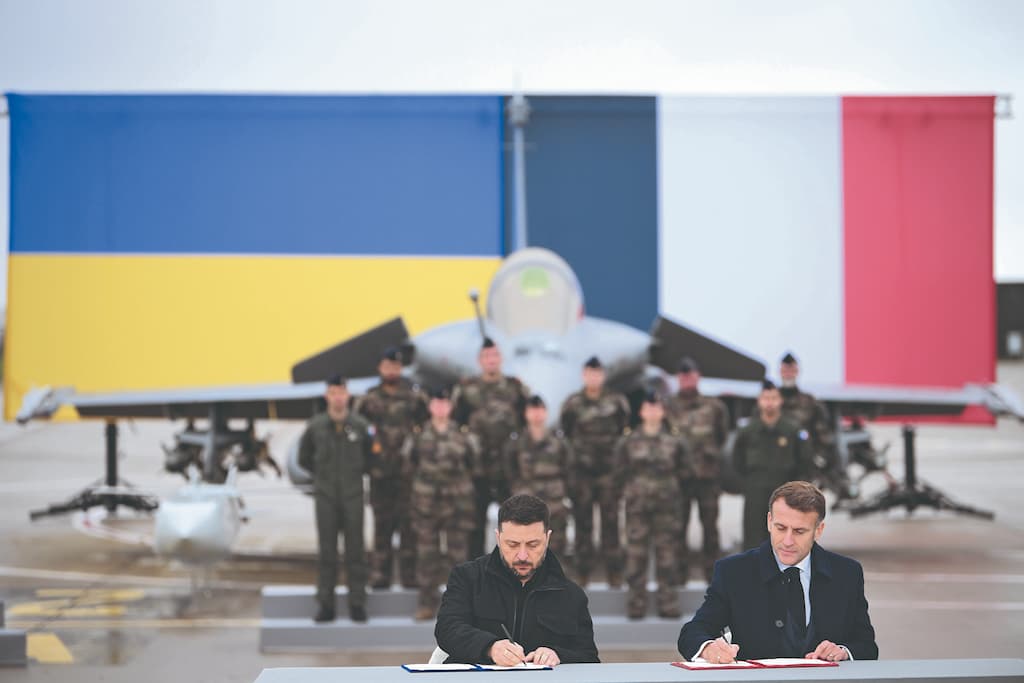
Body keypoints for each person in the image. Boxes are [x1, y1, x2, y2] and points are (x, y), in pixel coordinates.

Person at [678, 481, 878, 662]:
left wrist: (843, 651)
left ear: (819, 530)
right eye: (781, 528)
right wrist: (709, 648)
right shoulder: (733, 572)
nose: (788, 541)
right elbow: (693, 632)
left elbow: (866, 646)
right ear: (769, 522)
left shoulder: (847, 573)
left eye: (799, 531)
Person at [434, 494, 600, 666]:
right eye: (512, 544)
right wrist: (490, 647)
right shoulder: (467, 577)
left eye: (533, 545)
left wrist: (558, 655)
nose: (522, 556)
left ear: (547, 538)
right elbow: (447, 629)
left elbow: (588, 657)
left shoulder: (571, 595)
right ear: (498, 538)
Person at [297, 375, 372, 623]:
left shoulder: (359, 426)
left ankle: (357, 604)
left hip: (352, 496)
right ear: (327, 396)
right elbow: (304, 458)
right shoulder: (316, 426)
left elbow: (369, 459)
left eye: (342, 392)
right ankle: (325, 605)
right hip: (326, 497)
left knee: (356, 552)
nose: (338, 397)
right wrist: (323, 479)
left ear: (347, 396)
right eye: (333, 392)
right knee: (327, 553)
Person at [403, 386, 482, 621]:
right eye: (436, 403)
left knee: (458, 557)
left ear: (450, 407)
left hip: (457, 505)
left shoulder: (464, 436)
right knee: (427, 555)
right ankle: (427, 604)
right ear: (430, 407)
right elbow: (408, 466)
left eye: (444, 403)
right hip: (426, 505)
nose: (440, 408)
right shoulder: (417, 436)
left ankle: (460, 608)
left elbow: (473, 466)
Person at [613, 391, 692, 619]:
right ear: (641, 412)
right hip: (637, 507)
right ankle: (636, 603)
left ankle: (667, 603)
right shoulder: (628, 441)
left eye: (657, 407)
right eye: (648, 407)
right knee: (636, 555)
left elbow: (686, 471)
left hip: (667, 508)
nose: (652, 412)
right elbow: (619, 471)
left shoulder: (675, 440)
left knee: (667, 556)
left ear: (663, 411)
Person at [356, 346, 428, 588]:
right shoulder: (368, 399)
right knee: (382, 530)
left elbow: (428, 427)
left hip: (407, 476)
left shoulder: (414, 397)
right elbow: (358, 432)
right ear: (380, 368)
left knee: (409, 529)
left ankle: (409, 578)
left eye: (396, 367)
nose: (392, 370)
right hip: (380, 477)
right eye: (388, 366)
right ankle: (380, 577)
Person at [452, 337, 530, 558]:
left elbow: (529, 421)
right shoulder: (467, 390)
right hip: (477, 470)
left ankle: (511, 572)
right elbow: (455, 426)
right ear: (480, 361)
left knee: (512, 525)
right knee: (473, 524)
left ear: (501, 359)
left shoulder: (515, 388)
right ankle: (477, 575)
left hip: (508, 470)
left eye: (495, 356)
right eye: (487, 357)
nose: (491, 360)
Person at [558, 356, 630, 586]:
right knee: (583, 523)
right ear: (583, 375)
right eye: (589, 373)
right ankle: (583, 571)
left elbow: (623, 431)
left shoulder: (617, 401)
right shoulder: (573, 403)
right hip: (583, 475)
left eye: (597, 373)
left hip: (609, 473)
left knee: (611, 523)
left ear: (603, 376)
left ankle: (614, 572)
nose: (594, 377)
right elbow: (567, 432)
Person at [665, 356, 730, 583]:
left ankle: (713, 578)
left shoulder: (714, 407)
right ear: (678, 378)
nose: (687, 379)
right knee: (677, 530)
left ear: (698, 376)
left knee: (710, 529)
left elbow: (721, 436)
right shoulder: (667, 407)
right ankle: (679, 576)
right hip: (679, 480)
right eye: (683, 376)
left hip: (707, 479)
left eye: (690, 375)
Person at [733, 380, 812, 550]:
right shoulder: (748, 431)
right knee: (753, 543)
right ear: (759, 400)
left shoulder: (792, 430)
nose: (770, 403)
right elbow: (737, 461)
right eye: (766, 398)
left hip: (785, 496)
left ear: (780, 401)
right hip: (755, 494)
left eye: (774, 398)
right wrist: (747, 485)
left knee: (785, 543)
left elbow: (804, 463)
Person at [503, 395, 574, 559]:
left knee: (556, 548)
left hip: (554, 504)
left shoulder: (559, 441)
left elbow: (569, 469)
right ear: (526, 414)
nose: (536, 415)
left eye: (540, 410)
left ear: (546, 413)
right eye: (532, 411)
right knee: (526, 550)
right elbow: (509, 470)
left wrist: (564, 492)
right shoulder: (516, 442)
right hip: (525, 504)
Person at [778, 352, 853, 499]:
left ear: (797, 371)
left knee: (801, 507)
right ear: (780, 372)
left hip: (803, 468)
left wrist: (817, 459)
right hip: (776, 467)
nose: (788, 373)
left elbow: (823, 436)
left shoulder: (810, 402)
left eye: (791, 370)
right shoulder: (771, 401)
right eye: (785, 370)